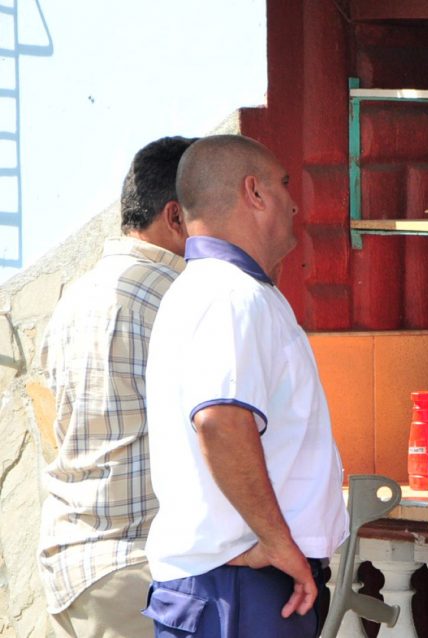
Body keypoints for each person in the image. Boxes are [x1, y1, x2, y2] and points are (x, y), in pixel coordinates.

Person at [142, 134, 348, 637]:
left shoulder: (227, 289)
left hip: (240, 581)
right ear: (253, 193)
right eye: (283, 185)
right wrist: (278, 541)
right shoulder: (228, 294)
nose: (295, 202)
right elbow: (220, 420)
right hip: (239, 587)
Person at [38, 135, 196, 638]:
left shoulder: (73, 298)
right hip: (137, 568)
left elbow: (50, 429)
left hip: (69, 567)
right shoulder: (178, 298)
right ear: (176, 218)